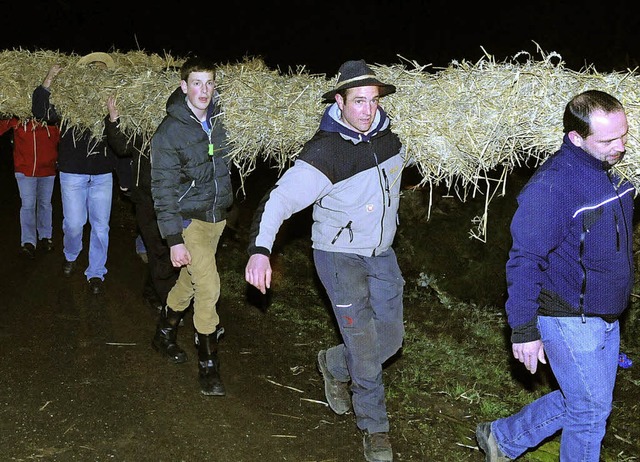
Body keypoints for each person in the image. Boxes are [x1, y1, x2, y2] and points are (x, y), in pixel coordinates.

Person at [245, 59, 409, 462]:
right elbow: (278, 200)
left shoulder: (392, 140)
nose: (367, 110)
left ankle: (334, 364)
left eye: (373, 100)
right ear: (339, 101)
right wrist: (260, 250)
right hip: (338, 257)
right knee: (366, 348)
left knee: (391, 338)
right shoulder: (324, 152)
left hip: (382, 253)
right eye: (358, 101)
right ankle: (375, 428)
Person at [475, 90, 634, 462]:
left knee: (585, 399)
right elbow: (524, 260)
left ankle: (502, 437)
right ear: (576, 138)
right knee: (590, 413)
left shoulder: (616, 172)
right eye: (609, 140)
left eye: (625, 134)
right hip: (569, 316)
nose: (621, 146)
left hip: (607, 312)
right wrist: (524, 329)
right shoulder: (553, 186)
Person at [150, 56, 233, 396]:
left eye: (209, 83)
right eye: (197, 83)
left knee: (190, 279)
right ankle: (208, 365)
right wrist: (174, 239)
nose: (204, 90)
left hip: (217, 217)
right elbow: (163, 190)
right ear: (183, 86)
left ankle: (164, 333)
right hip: (188, 220)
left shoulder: (224, 120)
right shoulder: (169, 132)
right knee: (210, 287)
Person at [32, 55, 118, 295]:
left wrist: (114, 118)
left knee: (101, 227)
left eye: (101, 72)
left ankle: (96, 272)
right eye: (92, 71)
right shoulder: (70, 101)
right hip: (72, 172)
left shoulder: (113, 100)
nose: (96, 76)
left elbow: (122, 137)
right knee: (74, 224)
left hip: (102, 173)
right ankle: (71, 254)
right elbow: (40, 111)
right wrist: (49, 78)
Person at [105, 95, 179, 312]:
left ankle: (154, 291)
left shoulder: (181, 125)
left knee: (167, 252)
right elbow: (122, 146)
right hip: (146, 199)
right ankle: (167, 301)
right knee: (157, 249)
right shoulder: (145, 124)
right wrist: (113, 120)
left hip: (174, 199)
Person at [0, 117, 60, 259]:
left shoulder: (52, 118)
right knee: (28, 205)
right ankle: (28, 241)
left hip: (48, 170)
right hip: (24, 170)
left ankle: (45, 236)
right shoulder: (19, 117)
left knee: (45, 204)